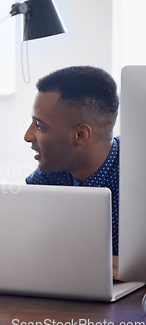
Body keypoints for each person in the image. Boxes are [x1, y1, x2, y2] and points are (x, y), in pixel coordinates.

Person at [23, 66, 120, 277]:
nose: (28, 136)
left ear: (80, 135)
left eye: (40, 126)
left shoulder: (137, 171)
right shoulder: (48, 177)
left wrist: (135, 267)